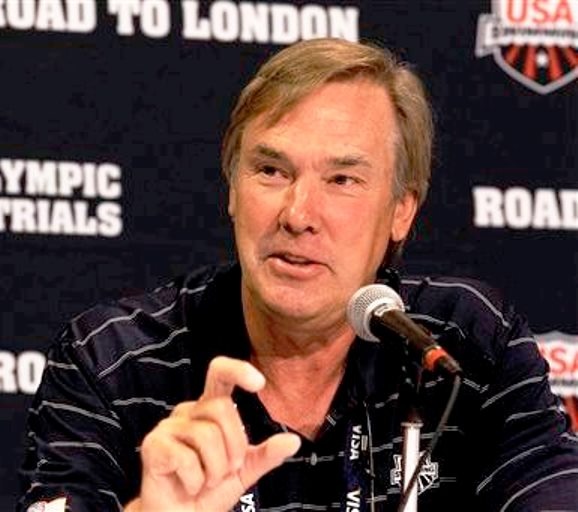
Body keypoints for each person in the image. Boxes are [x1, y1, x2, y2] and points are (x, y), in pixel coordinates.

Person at [18, 38, 578, 512]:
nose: (298, 215)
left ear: (402, 211)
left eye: (342, 180)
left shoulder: (464, 348)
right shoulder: (113, 361)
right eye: (270, 170)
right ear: (232, 188)